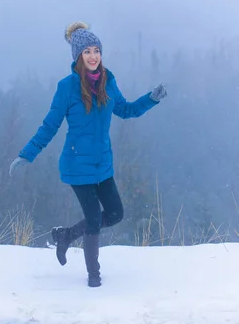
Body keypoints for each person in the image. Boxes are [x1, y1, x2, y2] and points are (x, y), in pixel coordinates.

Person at [9, 22, 167, 287]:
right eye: (87, 52)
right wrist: (26, 155)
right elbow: (50, 126)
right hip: (76, 166)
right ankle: (94, 275)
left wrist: (151, 98)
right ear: (78, 56)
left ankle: (66, 235)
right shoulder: (67, 87)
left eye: (97, 50)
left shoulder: (108, 81)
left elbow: (126, 110)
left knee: (115, 214)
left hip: (102, 164)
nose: (93, 56)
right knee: (94, 219)